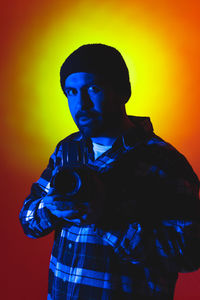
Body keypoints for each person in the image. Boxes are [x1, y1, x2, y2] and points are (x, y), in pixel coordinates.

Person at [19, 44, 200, 300]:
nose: (81, 103)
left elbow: (189, 255)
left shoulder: (165, 162)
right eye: (71, 92)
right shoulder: (67, 151)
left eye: (94, 88)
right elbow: (28, 220)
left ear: (122, 91)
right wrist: (49, 208)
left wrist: (106, 218)